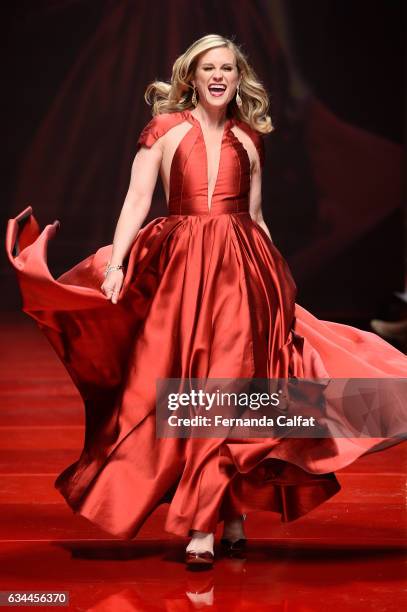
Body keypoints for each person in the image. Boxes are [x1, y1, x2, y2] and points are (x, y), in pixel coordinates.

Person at [6, 34, 407, 568]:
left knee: (240, 388)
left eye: (227, 68)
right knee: (192, 391)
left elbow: (258, 218)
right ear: (190, 78)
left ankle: (213, 518)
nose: (218, 76)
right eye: (207, 68)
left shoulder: (248, 137)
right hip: (184, 273)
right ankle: (218, 514)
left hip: (245, 274)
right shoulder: (164, 132)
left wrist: (280, 281)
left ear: (239, 78)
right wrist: (120, 262)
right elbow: (135, 201)